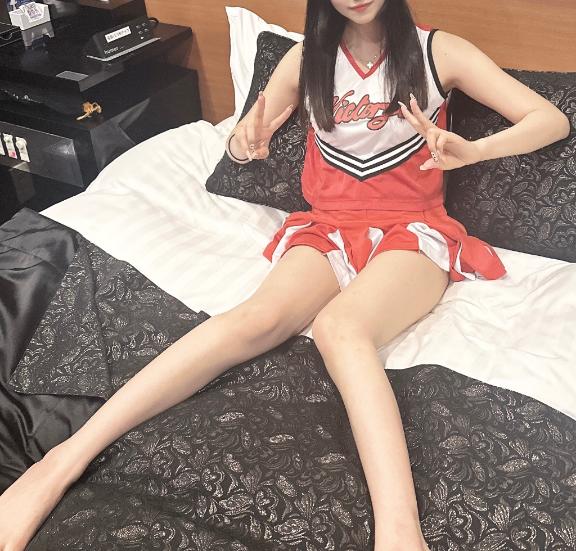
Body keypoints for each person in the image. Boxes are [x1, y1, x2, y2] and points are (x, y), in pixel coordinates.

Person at [0, 0, 570, 549]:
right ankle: (62, 461)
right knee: (252, 319)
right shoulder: (306, 58)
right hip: (330, 226)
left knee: (341, 329)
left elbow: (551, 119)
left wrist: (475, 150)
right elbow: (244, 137)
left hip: (414, 230)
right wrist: (244, 144)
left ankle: (400, 533)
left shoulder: (438, 52)